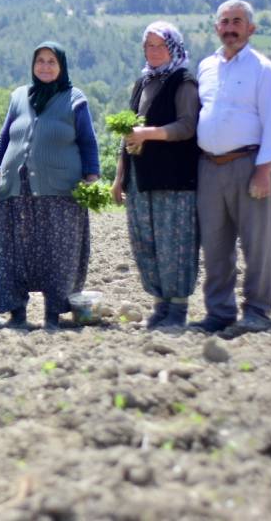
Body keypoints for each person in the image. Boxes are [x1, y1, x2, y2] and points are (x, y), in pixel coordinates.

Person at [0, 42, 100, 330]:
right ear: (33, 65)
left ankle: (53, 313)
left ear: (61, 66)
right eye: (40, 61)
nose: (46, 67)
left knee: (58, 251)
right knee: (13, 252)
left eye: (52, 61)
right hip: (16, 188)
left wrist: (91, 178)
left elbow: (88, 142)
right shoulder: (18, 96)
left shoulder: (74, 99)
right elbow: (4, 138)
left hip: (60, 190)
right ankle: (17, 314)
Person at [193, 0, 271, 333]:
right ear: (216, 27)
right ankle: (219, 313)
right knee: (215, 246)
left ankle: (257, 311)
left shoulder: (263, 70)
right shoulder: (206, 67)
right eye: (225, 21)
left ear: (251, 28)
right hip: (209, 168)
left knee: (255, 244)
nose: (230, 28)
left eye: (237, 21)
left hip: (249, 165)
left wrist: (264, 170)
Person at [111, 22, 200, 329]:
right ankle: (160, 304)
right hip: (141, 178)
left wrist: (148, 134)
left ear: (173, 48)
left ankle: (177, 308)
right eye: (148, 46)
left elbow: (187, 126)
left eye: (159, 45)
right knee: (145, 242)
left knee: (173, 243)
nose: (153, 51)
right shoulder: (143, 82)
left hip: (174, 179)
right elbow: (128, 134)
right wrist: (119, 176)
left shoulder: (183, 81)